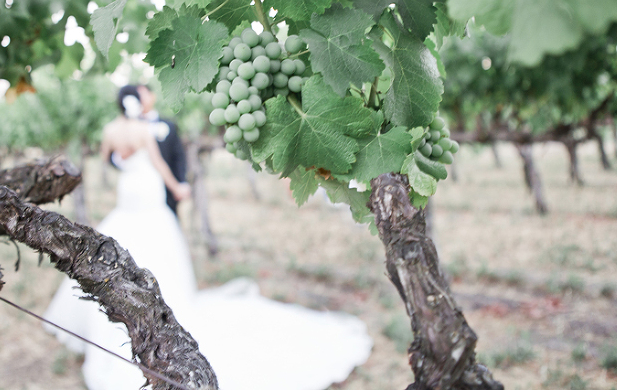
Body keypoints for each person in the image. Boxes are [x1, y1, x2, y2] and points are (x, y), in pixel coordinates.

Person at [44, 87, 373, 390]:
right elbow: (159, 164)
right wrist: (177, 188)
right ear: (136, 101)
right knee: (158, 248)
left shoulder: (111, 131)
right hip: (149, 193)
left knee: (119, 245)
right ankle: (163, 307)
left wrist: (123, 160)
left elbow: (107, 159)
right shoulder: (142, 130)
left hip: (128, 194)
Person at [115, 84, 187, 216]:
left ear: (152, 96)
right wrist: (119, 158)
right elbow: (111, 156)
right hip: (135, 185)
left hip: (164, 187)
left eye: (143, 95)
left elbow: (178, 156)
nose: (141, 99)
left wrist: (181, 183)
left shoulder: (169, 125)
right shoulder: (123, 127)